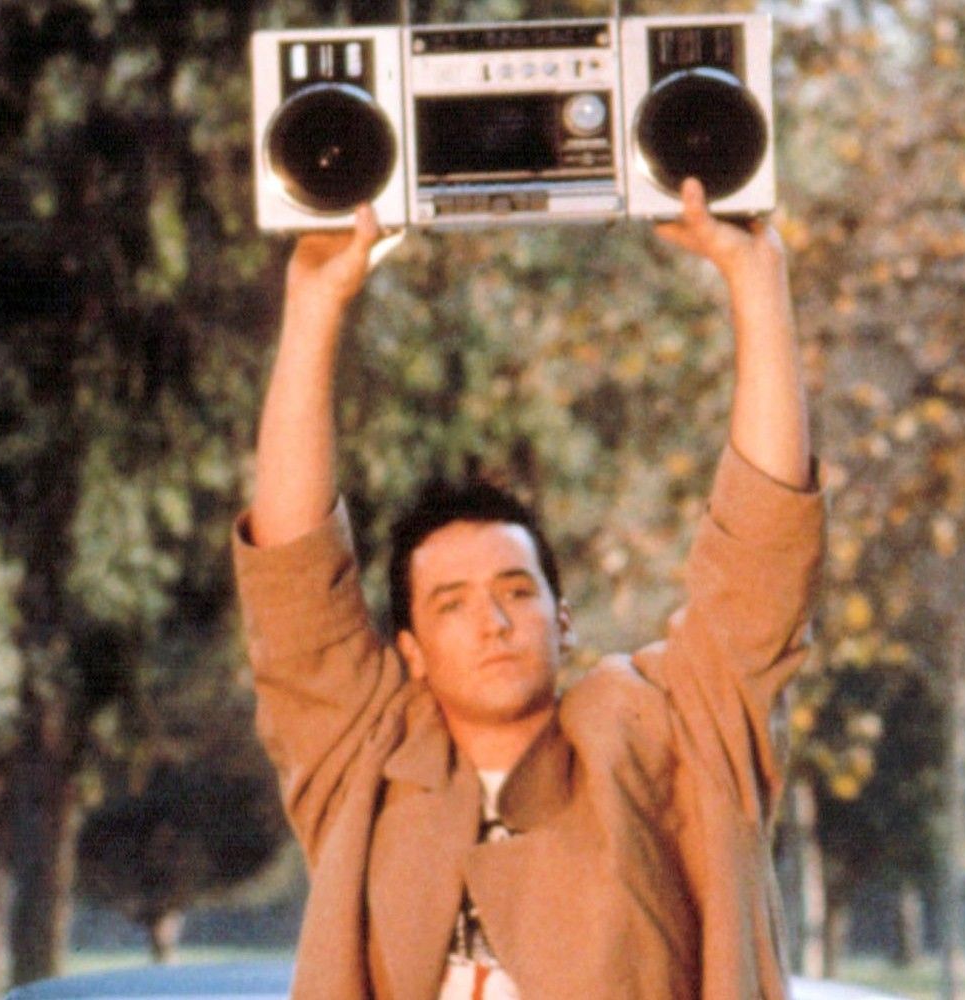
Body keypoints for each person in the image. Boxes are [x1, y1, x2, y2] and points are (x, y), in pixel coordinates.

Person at [233, 179, 824, 1000]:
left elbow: (762, 556)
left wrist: (757, 283)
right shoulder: (367, 761)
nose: (494, 619)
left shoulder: (661, 738)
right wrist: (313, 304)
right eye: (453, 603)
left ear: (563, 618)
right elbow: (293, 580)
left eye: (517, 590)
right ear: (411, 653)